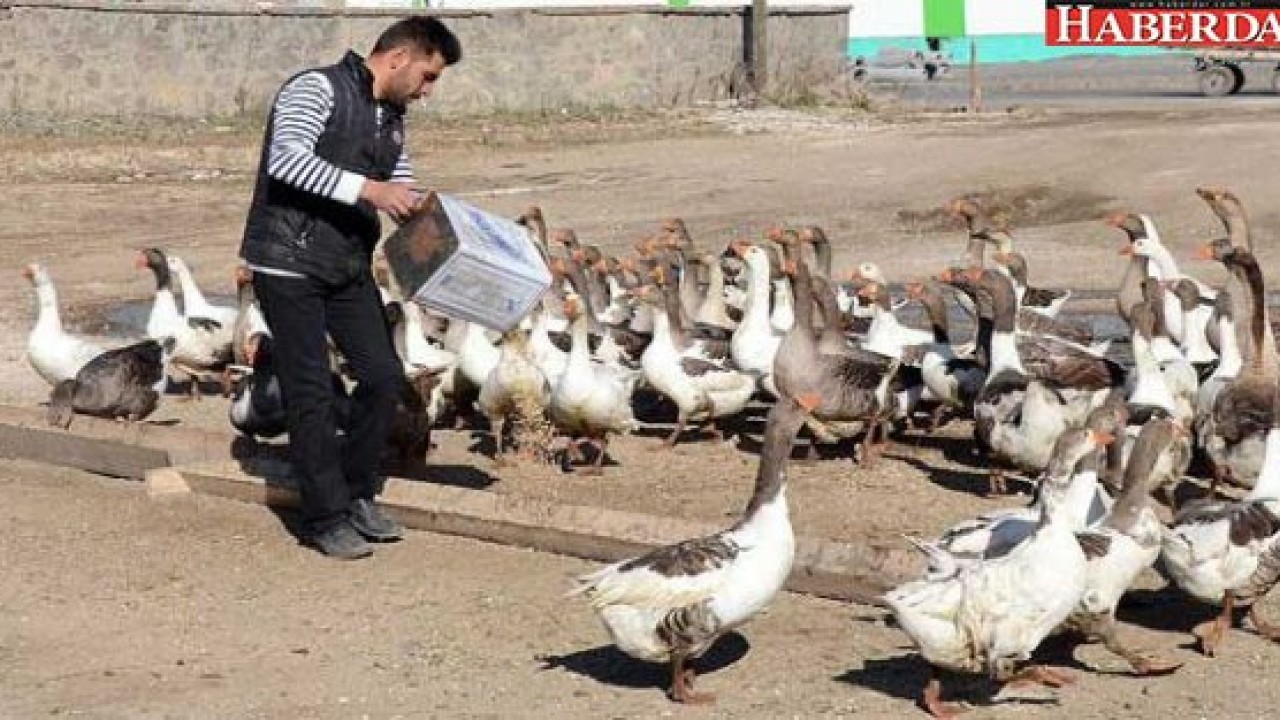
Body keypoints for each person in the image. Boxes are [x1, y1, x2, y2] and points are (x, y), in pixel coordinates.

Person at [239, 17, 462, 559]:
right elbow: (287, 160)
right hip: (287, 260)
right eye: (428, 76)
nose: (428, 92)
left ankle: (357, 491)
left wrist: (421, 210)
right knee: (310, 390)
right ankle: (324, 516)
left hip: (346, 263)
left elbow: (397, 179)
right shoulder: (315, 88)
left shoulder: (392, 116)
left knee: (384, 377)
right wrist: (372, 191)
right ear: (399, 57)